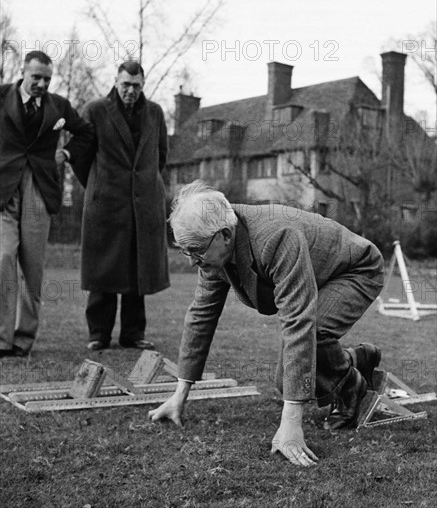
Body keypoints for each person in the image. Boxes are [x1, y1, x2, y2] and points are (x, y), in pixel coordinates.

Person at [148, 181, 384, 466]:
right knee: (287, 383)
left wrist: (291, 425)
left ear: (224, 235)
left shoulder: (275, 236)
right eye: (186, 251)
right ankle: (354, 360)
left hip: (355, 270)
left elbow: (299, 322)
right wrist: (179, 395)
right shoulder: (214, 249)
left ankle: (351, 389)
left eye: (195, 250)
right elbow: (201, 315)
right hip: (320, 277)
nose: (191, 261)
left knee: (314, 333)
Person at [0, 50, 94, 357]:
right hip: (4, 189)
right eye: (36, 77)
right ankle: (1, 340)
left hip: (39, 189)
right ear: (23, 73)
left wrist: (65, 154)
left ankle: (23, 340)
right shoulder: (2, 97)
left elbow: (86, 133)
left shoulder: (59, 106)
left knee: (33, 268)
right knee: (2, 259)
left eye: (47, 79)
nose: (41, 83)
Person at [71, 61, 169, 351]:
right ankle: (98, 334)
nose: (131, 90)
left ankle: (132, 334)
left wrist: (144, 184)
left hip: (143, 204)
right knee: (103, 270)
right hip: (105, 203)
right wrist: (98, 186)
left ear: (143, 85)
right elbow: (80, 158)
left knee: (137, 272)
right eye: (126, 84)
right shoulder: (95, 110)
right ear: (116, 81)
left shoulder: (155, 113)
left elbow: (160, 155)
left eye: (137, 85)